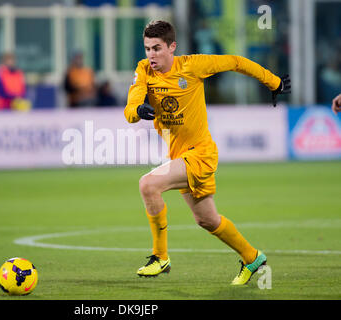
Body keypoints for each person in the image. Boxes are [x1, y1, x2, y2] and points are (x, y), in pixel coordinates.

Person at [124, 21, 291, 285]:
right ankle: (252, 257)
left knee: (148, 185)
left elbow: (235, 61)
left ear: (172, 47)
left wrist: (273, 82)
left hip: (200, 154)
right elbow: (131, 106)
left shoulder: (192, 65)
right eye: (147, 49)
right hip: (179, 155)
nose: (151, 55)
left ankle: (160, 257)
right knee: (207, 220)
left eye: (157, 48)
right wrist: (138, 111)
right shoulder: (144, 70)